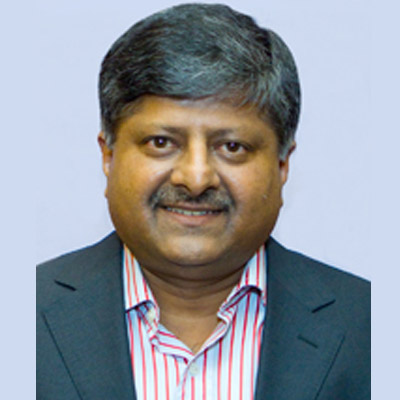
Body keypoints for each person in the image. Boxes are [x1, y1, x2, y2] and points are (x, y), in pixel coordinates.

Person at [36, 3, 370, 400]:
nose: (195, 179)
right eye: (161, 142)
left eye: (232, 147)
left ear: (282, 164)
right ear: (108, 156)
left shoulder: (371, 327)